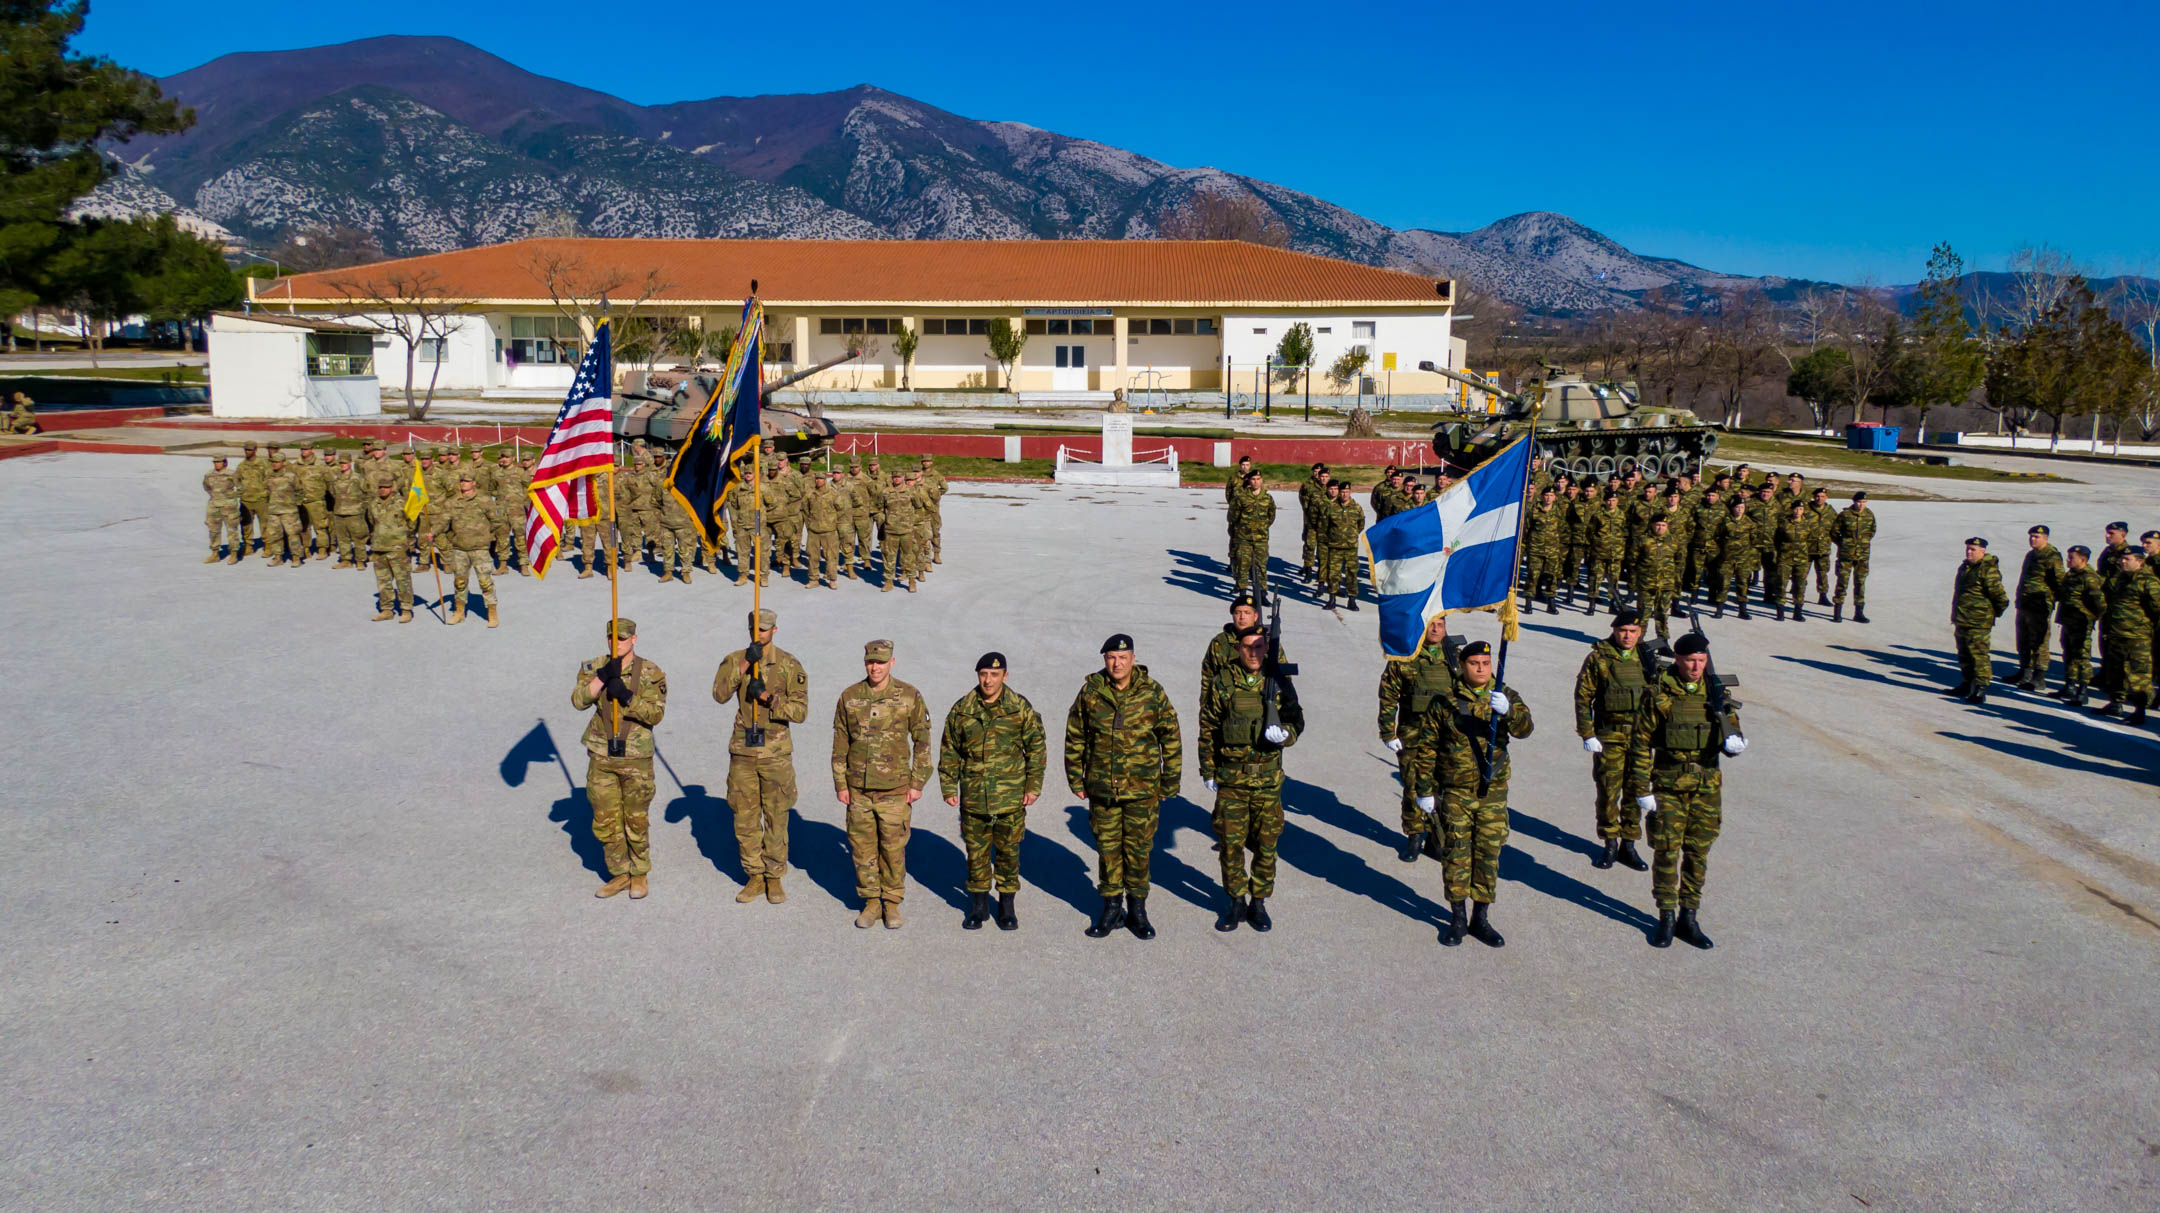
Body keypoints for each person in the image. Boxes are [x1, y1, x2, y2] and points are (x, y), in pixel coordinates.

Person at [1629, 631, 1745, 949]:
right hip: (1668, 787)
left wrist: (1734, 741)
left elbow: (1730, 728)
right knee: (1667, 852)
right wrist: (1642, 788)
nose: (1696, 666)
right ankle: (1666, 916)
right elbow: (1640, 743)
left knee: (1697, 853)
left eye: (1701, 660)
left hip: (1706, 788)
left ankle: (1689, 917)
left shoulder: (1716, 692)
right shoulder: (1659, 693)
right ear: (1677, 659)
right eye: (1690, 660)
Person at [1413, 640, 1531, 948]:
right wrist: (1424, 791)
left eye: (1486, 663)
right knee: (1456, 855)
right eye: (1474, 663)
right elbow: (1426, 750)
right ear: (1462, 666)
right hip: (1456, 794)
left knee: (1488, 855)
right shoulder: (1445, 702)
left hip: (1492, 794)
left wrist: (1507, 713)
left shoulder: (1506, 696)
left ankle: (1481, 917)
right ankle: (1457, 918)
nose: (1481, 668)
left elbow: (1525, 728)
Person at [1064, 634, 1180, 940]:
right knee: (1107, 849)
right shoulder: (1091, 692)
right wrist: (1075, 777)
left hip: (1142, 790)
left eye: (1123, 657)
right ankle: (1111, 908)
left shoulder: (1152, 692)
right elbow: (1075, 734)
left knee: (1139, 850)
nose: (1117, 663)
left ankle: (1138, 910)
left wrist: (1170, 780)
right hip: (1103, 788)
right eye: (1111, 658)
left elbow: (1171, 736)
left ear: (1133, 658)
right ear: (1104, 660)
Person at [1199, 629, 1302, 932]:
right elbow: (1208, 728)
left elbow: (1297, 719)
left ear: (1266, 649)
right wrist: (1207, 770)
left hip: (1268, 781)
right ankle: (1235, 902)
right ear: (1239, 649)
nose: (1254, 653)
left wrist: (1286, 736)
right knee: (1231, 845)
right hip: (1232, 780)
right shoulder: (1223, 682)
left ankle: (1258, 902)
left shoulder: (1279, 681)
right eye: (1248, 647)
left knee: (1266, 845)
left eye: (1259, 647)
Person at [938, 652, 1046, 931]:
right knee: (976, 854)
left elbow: (1036, 748)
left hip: (1010, 796)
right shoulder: (963, 709)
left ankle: (1007, 907)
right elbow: (950, 749)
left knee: (1008, 853)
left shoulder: (1019, 707)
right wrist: (949, 785)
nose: (988, 680)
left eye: (994, 675)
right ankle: (978, 905)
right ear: (978, 675)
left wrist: (1033, 785)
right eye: (984, 674)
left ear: (1005, 676)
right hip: (974, 796)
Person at [832, 640, 933, 929]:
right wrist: (841, 782)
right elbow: (840, 741)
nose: (874, 667)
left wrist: (918, 782)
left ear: (892, 662)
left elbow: (923, 739)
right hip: (859, 789)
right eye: (870, 662)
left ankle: (891, 902)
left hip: (895, 789)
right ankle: (871, 902)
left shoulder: (909, 696)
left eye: (880, 662)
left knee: (892, 848)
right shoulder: (850, 697)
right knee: (862, 849)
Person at [711, 609, 809, 904]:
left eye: (764, 630)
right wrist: (744, 664)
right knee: (745, 816)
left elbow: (801, 712)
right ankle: (754, 875)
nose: (759, 634)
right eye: (754, 628)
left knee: (777, 816)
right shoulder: (733, 659)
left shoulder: (789, 664)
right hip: (743, 750)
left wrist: (767, 697)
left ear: (775, 630)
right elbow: (719, 694)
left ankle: (774, 875)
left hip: (775, 752)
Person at [573, 618, 669, 900]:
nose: (617, 643)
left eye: (623, 639)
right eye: (612, 638)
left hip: (635, 756)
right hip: (602, 753)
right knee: (605, 819)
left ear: (635, 639)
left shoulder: (651, 672)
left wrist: (627, 695)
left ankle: (639, 874)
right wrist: (602, 678)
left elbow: (656, 714)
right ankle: (619, 873)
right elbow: (578, 700)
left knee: (635, 818)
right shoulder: (593, 667)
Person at [1574, 610, 1653, 871]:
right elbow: (1583, 698)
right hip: (1610, 735)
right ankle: (1609, 842)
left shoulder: (1647, 658)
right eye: (1622, 631)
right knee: (1609, 790)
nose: (1627, 636)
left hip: (1641, 737)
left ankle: (1629, 844)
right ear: (1614, 630)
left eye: (1632, 631)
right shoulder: (1599, 658)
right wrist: (1588, 733)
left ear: (1640, 632)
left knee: (1635, 790)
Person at [1376, 614, 1455, 862]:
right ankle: (1414, 836)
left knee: (1442, 788)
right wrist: (1387, 731)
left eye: (1440, 625)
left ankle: (1436, 839)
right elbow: (1388, 695)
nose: (1435, 629)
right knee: (1412, 787)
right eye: (1431, 624)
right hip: (1413, 734)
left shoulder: (1455, 658)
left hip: (1446, 736)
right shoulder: (1406, 656)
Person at [2093, 548, 2159, 724]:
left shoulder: (2149, 582)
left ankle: (2140, 711)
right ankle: (2115, 703)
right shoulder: (2122, 578)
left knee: (2138, 675)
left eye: (2127, 559)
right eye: (2122, 559)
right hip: (2117, 634)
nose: (2122, 562)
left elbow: (2157, 610)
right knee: (2116, 671)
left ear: (2139, 561)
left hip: (2137, 638)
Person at [430, 473, 499, 626]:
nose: (463, 483)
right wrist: (433, 532)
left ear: (474, 483)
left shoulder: (484, 500)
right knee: (460, 582)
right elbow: (443, 520)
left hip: (480, 548)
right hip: (459, 548)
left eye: (467, 481)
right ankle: (459, 612)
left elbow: (496, 521)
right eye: (461, 481)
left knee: (485, 582)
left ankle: (492, 613)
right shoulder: (452, 502)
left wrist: (486, 536)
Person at [1951, 537, 2009, 704]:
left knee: (1979, 655)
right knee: (1964, 654)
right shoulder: (1965, 567)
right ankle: (1967, 683)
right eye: (1968, 549)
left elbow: (2000, 597)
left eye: (1973, 549)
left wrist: (1988, 614)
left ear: (1983, 552)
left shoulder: (1987, 570)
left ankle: (1980, 688)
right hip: (1962, 618)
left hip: (1978, 622)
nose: (1969, 552)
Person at [2012, 525, 2065, 692]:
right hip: (2025, 604)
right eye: (2031, 536)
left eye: (2036, 537)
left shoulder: (2051, 556)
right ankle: (2024, 671)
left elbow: (2059, 582)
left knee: (2039, 642)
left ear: (2046, 538)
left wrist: (2049, 601)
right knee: (2023, 639)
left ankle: (2039, 676)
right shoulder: (2031, 555)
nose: (2032, 539)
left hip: (2039, 606)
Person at [2054, 545, 2105, 707]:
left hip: (2082, 624)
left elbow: (2100, 604)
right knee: (2068, 655)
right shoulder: (2071, 574)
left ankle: (2083, 691)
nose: (2068, 560)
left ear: (2082, 560)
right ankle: (2069, 686)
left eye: (2071, 558)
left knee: (2082, 657)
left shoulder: (2089, 577)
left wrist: (2091, 619)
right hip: (2069, 622)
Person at [365, 481, 415, 622]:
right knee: (383, 581)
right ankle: (386, 609)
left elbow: (412, 522)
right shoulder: (373, 503)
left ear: (392, 488)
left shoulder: (403, 503)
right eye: (380, 487)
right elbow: (371, 522)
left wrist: (406, 539)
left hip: (398, 548)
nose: (382, 489)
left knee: (403, 580)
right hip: (379, 548)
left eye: (386, 487)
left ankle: (406, 610)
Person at [1710, 495, 1757, 620]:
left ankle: (1742, 610)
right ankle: (1719, 609)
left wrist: (1747, 552)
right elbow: (1716, 536)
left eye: (1742, 507)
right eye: (1737, 507)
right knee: (1723, 584)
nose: (1740, 509)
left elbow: (1754, 539)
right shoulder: (1725, 521)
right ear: (1733, 508)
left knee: (1742, 584)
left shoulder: (1749, 522)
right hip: (1726, 559)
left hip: (1743, 559)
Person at [1228, 472, 1274, 602]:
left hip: (1261, 538)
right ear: (1249, 481)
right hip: (1243, 538)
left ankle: (1262, 595)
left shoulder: (1267, 498)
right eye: (1253, 479)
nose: (1256, 482)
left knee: (1261, 566)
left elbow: (1271, 516)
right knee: (1243, 565)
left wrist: (1262, 527)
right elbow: (1232, 516)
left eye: (1258, 479)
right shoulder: (1240, 498)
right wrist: (1240, 529)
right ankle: (1242, 594)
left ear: (1262, 480)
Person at [1830, 491, 1875, 623]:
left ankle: (1859, 612)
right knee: (1842, 582)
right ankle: (1837, 612)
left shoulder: (1869, 515)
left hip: (1862, 556)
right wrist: (1843, 544)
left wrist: (1863, 544)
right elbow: (1834, 532)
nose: (1861, 505)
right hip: (1846, 555)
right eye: (1859, 502)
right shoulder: (1844, 515)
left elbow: (1872, 531)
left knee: (1860, 583)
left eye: (1864, 502)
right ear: (1853, 501)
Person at [1321, 479, 1365, 611]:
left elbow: (1360, 525)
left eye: (1347, 491)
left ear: (1350, 492)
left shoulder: (1357, 508)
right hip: (1335, 547)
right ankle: (1332, 599)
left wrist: (1351, 536)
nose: (1345, 494)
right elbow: (1325, 526)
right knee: (1333, 574)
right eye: (1343, 492)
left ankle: (1352, 600)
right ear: (1339, 493)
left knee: (1352, 574)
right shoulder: (1332, 507)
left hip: (1351, 548)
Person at [1522, 487, 1565, 612]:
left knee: (1552, 577)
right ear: (1541, 496)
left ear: (1555, 497)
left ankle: (1551, 602)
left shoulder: (1559, 512)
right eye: (1546, 495)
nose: (1548, 498)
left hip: (1552, 550)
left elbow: (1562, 529)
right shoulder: (1534, 511)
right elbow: (1527, 528)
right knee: (1532, 576)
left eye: (1551, 495)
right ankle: (1528, 602)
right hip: (1535, 549)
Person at [1769, 500, 1811, 621]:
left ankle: (1797, 611)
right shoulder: (1784, 523)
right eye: (1796, 509)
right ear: (1792, 510)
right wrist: (1781, 551)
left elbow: (1810, 540)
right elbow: (1777, 539)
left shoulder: (1807, 524)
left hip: (1802, 560)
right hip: (1785, 559)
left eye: (1801, 509)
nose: (1798, 512)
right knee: (1781, 584)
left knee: (1800, 585)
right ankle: (1780, 611)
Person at [880, 469, 921, 591]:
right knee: (889, 557)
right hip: (891, 530)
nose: (896, 479)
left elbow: (918, 505)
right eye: (894, 477)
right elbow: (880, 507)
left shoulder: (911, 491)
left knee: (909, 557)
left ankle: (912, 581)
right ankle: (888, 582)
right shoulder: (886, 492)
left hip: (906, 530)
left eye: (899, 476)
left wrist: (911, 520)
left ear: (903, 477)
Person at [262, 452, 305, 566]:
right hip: (273, 511)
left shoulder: (291, 476)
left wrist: (295, 504)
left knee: (293, 534)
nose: (274, 464)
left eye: (277, 462)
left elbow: (300, 490)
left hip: (289, 511)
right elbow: (266, 490)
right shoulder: (268, 475)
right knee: (274, 534)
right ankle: (277, 557)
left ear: (283, 463)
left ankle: (296, 558)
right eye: (273, 462)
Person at [804, 471, 845, 588]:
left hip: (829, 531)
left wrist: (832, 521)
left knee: (831, 556)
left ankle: (832, 579)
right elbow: (805, 509)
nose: (818, 481)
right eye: (817, 479)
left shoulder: (833, 494)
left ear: (825, 480)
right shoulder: (810, 494)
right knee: (813, 556)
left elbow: (841, 509)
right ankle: (813, 579)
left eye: (821, 479)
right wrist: (811, 522)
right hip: (814, 531)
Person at [202, 455, 241, 563]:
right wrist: (215, 496)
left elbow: (241, 487)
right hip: (214, 506)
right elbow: (206, 487)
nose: (216, 464)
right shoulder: (209, 475)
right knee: (213, 531)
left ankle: (234, 554)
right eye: (215, 462)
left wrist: (232, 496)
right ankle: (215, 553)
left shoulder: (232, 474)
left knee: (232, 531)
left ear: (225, 463)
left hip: (229, 507)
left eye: (219, 462)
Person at [1298, 464, 1331, 579]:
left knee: (1324, 550)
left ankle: (1321, 574)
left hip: (1326, 526)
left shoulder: (1331, 489)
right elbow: (1304, 502)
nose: (1321, 477)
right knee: (1309, 546)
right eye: (1317, 473)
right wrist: (1308, 517)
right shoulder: (1310, 487)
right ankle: (1308, 571)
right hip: (1311, 523)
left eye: (1325, 476)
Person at [918, 456, 947, 564]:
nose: (926, 463)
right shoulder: (918, 474)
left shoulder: (937, 475)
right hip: (920, 508)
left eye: (928, 461)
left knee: (935, 531)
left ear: (932, 462)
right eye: (924, 461)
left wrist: (936, 495)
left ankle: (936, 554)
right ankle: (923, 557)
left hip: (933, 509)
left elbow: (944, 488)